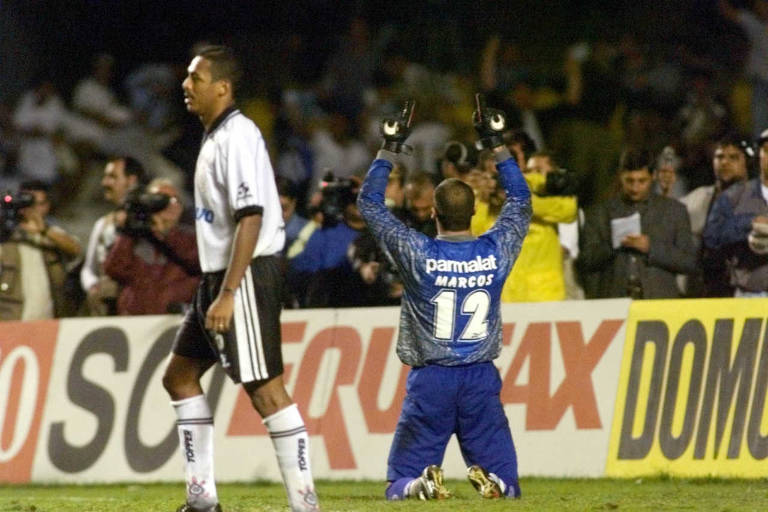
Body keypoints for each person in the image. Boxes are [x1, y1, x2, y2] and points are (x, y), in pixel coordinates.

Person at [162, 45, 318, 512]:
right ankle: (201, 499)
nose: (185, 86)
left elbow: (252, 215)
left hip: (244, 276)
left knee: (265, 389)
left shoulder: (239, 135)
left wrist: (229, 292)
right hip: (220, 277)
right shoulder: (214, 137)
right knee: (180, 377)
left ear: (222, 87)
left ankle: (306, 505)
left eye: (196, 78)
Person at [358, 96, 531, 501]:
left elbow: (369, 204)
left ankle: (418, 484)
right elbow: (521, 202)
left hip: (431, 378)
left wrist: (389, 148)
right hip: (479, 376)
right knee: (509, 483)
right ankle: (497, 482)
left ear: (433, 213)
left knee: (397, 482)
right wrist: (496, 143)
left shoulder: (418, 253)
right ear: (473, 214)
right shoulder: (495, 250)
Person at [578, 148, 697, 298]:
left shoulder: (674, 211)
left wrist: (650, 247)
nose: (635, 188)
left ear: (653, 176)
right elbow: (586, 261)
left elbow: (689, 262)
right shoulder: (600, 213)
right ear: (620, 176)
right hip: (615, 304)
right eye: (629, 181)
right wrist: (613, 245)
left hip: (659, 304)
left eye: (642, 181)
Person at [103, 178, 200, 315]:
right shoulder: (134, 237)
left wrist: (163, 234)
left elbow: (196, 268)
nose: (168, 205)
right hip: (134, 318)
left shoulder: (192, 239)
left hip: (172, 320)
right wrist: (128, 229)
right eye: (160, 199)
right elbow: (114, 269)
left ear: (181, 208)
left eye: (174, 200)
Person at [500, 150, 578, 302]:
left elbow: (568, 211)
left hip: (547, 291)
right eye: (530, 171)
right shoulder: (499, 199)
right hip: (511, 291)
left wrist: (520, 199)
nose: (533, 175)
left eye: (538, 171)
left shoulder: (558, 198)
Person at [0, 180, 82, 320]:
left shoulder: (53, 235)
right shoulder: (6, 236)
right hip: (12, 320)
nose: (31, 208)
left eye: (36, 204)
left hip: (47, 321)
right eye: (26, 202)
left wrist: (43, 230)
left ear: (47, 206)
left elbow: (75, 250)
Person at [680, 136, 750, 296]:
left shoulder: (759, 199)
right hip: (705, 290)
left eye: (733, 157)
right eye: (720, 157)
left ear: (747, 162)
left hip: (746, 293)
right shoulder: (699, 197)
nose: (725, 162)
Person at [703, 129, 768, 297]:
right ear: (759, 155)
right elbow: (712, 238)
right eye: (767, 150)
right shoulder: (733, 197)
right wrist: (749, 223)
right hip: (751, 292)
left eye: (733, 157)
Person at [80, 156, 146, 315]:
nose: (105, 183)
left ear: (131, 180)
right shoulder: (102, 224)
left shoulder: (150, 221)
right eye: (105, 177)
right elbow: (89, 268)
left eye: (112, 177)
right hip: (106, 304)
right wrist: (93, 286)